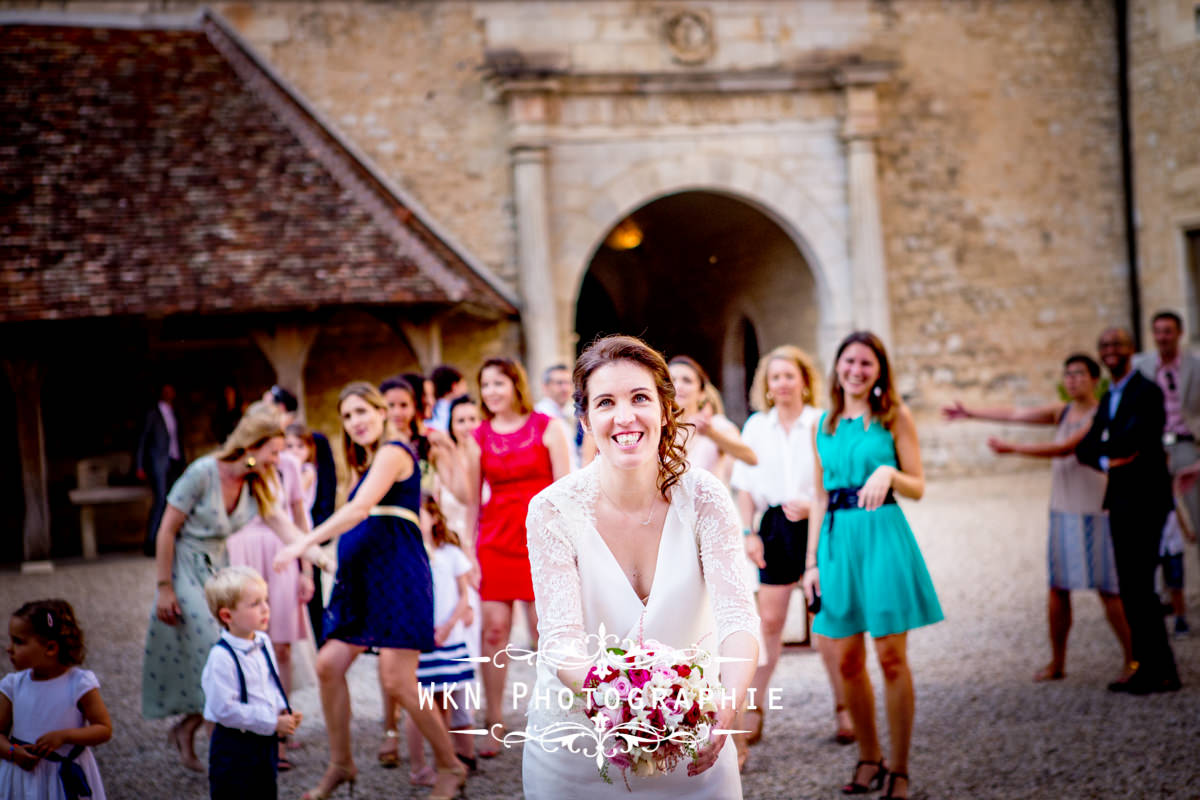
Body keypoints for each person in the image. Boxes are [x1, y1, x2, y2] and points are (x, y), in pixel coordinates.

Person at [522, 334, 760, 798]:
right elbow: (559, 638)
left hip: (693, 741)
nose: (625, 417)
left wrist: (727, 703)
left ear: (666, 410)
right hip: (578, 750)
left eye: (640, 397)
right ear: (586, 420)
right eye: (606, 402)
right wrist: (622, 701)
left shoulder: (706, 498)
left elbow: (737, 616)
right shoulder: (552, 510)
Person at [271, 382, 466, 800]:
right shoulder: (365, 466)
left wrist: (303, 545)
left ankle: (450, 766)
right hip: (361, 581)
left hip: (398, 577)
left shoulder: (394, 453)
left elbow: (359, 511)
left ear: (381, 413)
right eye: (346, 416)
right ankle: (341, 763)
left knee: (397, 679)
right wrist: (326, 558)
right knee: (328, 664)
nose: (355, 422)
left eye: (361, 411)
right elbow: (357, 522)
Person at [142, 406, 323, 773]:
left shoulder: (256, 481)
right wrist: (164, 587)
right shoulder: (202, 473)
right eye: (273, 451)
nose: (279, 458)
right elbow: (167, 529)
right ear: (251, 447)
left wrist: (322, 558)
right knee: (217, 648)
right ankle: (225, 756)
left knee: (223, 655)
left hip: (220, 570)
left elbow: (285, 528)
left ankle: (187, 728)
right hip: (185, 570)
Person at [803, 331, 943, 800]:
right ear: (837, 367)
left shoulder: (893, 416)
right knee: (846, 660)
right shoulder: (821, 424)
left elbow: (919, 486)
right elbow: (819, 495)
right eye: (850, 361)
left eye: (867, 363)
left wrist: (888, 473)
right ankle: (868, 755)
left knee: (891, 656)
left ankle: (900, 768)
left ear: (879, 370)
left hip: (883, 536)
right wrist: (811, 564)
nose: (857, 370)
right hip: (838, 541)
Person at [942, 354, 1133, 681]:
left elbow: (1067, 448)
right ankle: (1057, 662)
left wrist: (1013, 449)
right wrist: (972, 413)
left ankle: (1132, 659)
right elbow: (1016, 414)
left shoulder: (1101, 412)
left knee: (1108, 590)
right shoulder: (1062, 411)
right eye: (1068, 374)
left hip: (1094, 507)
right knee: (1058, 588)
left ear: (1094, 379)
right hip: (1063, 508)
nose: (1072, 380)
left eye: (1079, 374)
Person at [728, 345, 849, 751]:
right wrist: (749, 532)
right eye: (774, 377)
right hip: (775, 526)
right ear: (766, 384)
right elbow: (744, 487)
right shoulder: (756, 427)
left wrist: (812, 505)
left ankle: (844, 706)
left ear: (804, 380)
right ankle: (755, 708)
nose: (781, 383)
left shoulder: (821, 422)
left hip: (819, 523)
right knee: (770, 622)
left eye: (788, 375)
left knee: (827, 625)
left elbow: (829, 480)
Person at [465, 357, 571, 757]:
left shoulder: (548, 428)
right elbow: (471, 503)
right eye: (485, 384)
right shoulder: (478, 437)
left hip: (542, 540)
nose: (491, 391)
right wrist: (468, 555)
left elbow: (565, 492)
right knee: (493, 632)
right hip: (494, 541)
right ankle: (493, 721)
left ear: (515, 385)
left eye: (499, 383)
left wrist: (567, 546)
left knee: (546, 633)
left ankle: (557, 718)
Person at [1075, 327, 1181, 695]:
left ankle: (1163, 671)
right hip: (1120, 500)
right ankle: (1148, 667)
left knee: (1141, 587)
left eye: (1116, 344)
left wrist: (1109, 448)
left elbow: (1136, 440)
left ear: (1132, 350)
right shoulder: (1109, 397)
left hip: (1147, 501)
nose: (1110, 351)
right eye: (1104, 345)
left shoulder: (1147, 392)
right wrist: (1110, 457)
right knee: (1130, 589)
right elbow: (1086, 447)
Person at [226, 413, 316, 769]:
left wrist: (307, 567)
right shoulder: (239, 468)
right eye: (272, 450)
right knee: (246, 644)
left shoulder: (290, 467)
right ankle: (254, 731)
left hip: (282, 554)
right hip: (244, 554)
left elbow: (298, 517)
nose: (278, 457)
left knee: (281, 647)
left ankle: (280, 730)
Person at [201, 566, 302, 800]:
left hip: (264, 743)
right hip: (234, 747)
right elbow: (223, 710)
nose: (266, 608)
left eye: (265, 600)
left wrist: (282, 709)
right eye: (255, 604)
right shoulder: (221, 657)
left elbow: (271, 684)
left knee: (266, 790)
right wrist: (272, 722)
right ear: (227, 616)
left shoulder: (264, 641)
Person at [0, 599, 112, 800]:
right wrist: (12, 752)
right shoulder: (12, 686)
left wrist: (66, 736)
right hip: (23, 779)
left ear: (51, 648)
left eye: (18, 641)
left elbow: (103, 728)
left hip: (64, 777)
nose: (9, 648)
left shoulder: (79, 684)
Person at [1132, 310, 1200, 635]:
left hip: (1187, 445)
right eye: (1157, 331)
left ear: (1180, 332)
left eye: (1168, 331)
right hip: (1153, 450)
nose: (1162, 337)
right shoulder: (1140, 366)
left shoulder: (1195, 366)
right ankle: (1165, 598)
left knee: (1197, 520)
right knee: (1156, 526)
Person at [404, 493, 477, 786]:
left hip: (449, 641)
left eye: (419, 512)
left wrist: (447, 626)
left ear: (434, 516)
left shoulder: (450, 553)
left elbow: (464, 596)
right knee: (418, 704)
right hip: (420, 642)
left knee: (444, 701)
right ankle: (418, 767)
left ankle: (442, 761)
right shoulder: (407, 555)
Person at [264, 385, 337, 644]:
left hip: (303, 527)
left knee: (311, 590)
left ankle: (318, 638)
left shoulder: (302, 470)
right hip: (287, 530)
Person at [668, 355, 757, 485]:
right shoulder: (658, 428)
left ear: (702, 392)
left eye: (687, 380)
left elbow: (751, 458)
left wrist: (712, 434)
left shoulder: (716, 425)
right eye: (672, 380)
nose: (678, 386)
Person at [138, 382, 185, 557]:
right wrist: (140, 466)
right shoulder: (153, 414)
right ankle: (151, 542)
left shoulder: (174, 413)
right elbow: (142, 440)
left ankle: (169, 540)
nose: (169, 394)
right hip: (158, 462)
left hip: (174, 461)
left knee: (174, 501)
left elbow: (177, 439)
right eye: (166, 391)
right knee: (160, 500)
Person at [535, 363, 583, 470]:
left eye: (568, 383)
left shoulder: (572, 412)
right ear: (545, 387)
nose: (565, 388)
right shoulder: (539, 416)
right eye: (559, 383)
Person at [430, 365, 468, 432]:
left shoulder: (432, 410)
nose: (466, 389)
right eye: (463, 384)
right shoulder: (453, 411)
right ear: (455, 386)